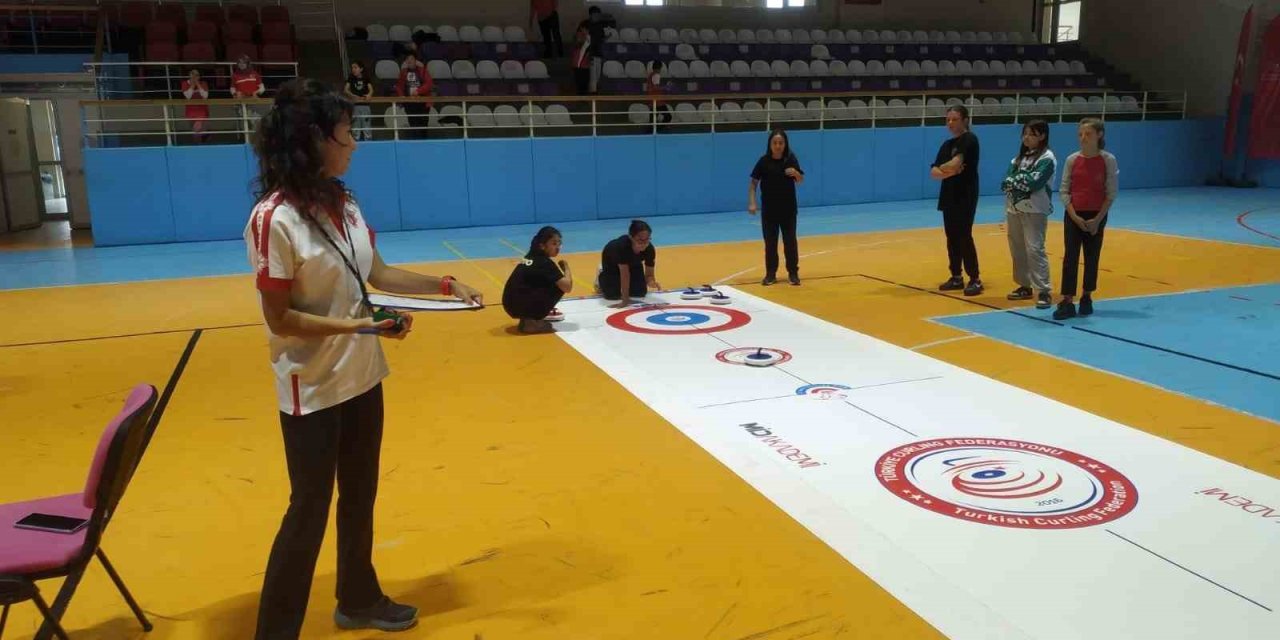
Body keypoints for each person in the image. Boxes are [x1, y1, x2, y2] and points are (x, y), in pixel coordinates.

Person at [243, 78, 483, 640]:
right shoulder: (273, 219)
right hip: (311, 387)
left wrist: (444, 285)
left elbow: (377, 273)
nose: (354, 142)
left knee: (360, 494)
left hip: (362, 376)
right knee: (308, 510)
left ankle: (357, 597)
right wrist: (357, 325)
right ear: (313, 139)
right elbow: (280, 318)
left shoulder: (344, 202)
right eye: (346, 132)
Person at [1055, 117, 1119, 320]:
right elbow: (1064, 190)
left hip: (1097, 214)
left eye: (1088, 134)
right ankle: (1067, 300)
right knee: (1070, 257)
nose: (1083, 138)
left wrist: (1097, 219)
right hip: (1074, 214)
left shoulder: (1108, 160)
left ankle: (1086, 296)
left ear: (1099, 135)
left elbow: (1111, 192)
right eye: (1080, 134)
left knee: (1092, 256)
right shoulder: (1072, 160)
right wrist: (1074, 216)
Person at [1001, 119, 1056, 309]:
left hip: (1036, 209)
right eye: (1024, 133)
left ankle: (1043, 290)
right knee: (1017, 247)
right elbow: (1006, 181)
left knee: (1035, 248)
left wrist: (1016, 180)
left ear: (1042, 136)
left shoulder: (1047, 158)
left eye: (1031, 134)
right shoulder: (1017, 159)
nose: (1026, 137)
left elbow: (1034, 182)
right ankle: (1024, 285)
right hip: (1014, 208)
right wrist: (1018, 180)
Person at [929, 104, 983, 296]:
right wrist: (949, 172)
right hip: (949, 194)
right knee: (951, 236)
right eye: (948, 120)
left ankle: (975, 278)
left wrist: (945, 169)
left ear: (965, 120)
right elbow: (934, 172)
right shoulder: (947, 145)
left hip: (965, 194)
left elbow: (955, 163)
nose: (950, 123)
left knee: (964, 235)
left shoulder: (969, 139)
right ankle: (956, 276)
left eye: (954, 119)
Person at [748, 128, 805, 286]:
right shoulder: (763, 161)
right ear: (770, 144)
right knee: (770, 244)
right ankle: (770, 274)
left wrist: (795, 173)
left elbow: (800, 180)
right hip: (769, 211)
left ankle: (793, 273)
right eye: (775, 143)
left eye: (781, 143)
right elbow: (753, 184)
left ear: (785, 144)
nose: (778, 146)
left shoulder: (790, 159)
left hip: (788, 210)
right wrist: (752, 202)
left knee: (790, 242)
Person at [503, 226, 572, 334]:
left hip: (510, 304)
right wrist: (566, 268)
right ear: (542, 246)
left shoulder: (529, 257)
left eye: (559, 243)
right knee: (559, 286)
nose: (558, 247)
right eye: (554, 244)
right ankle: (532, 322)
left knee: (547, 282)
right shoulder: (544, 262)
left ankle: (528, 320)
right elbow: (567, 287)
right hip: (519, 306)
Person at [596, 219, 659, 307]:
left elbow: (649, 274)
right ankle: (600, 276)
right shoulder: (621, 247)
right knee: (612, 295)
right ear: (631, 237)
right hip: (612, 266)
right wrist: (625, 300)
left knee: (640, 292)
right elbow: (625, 275)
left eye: (647, 239)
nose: (644, 243)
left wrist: (651, 281)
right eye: (640, 240)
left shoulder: (649, 249)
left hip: (634, 264)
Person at [394, 52, 433, 140]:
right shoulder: (403, 72)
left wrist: (418, 91)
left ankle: (423, 142)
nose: (409, 61)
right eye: (407, 59)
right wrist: (401, 96)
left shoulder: (423, 71)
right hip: (409, 103)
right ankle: (415, 142)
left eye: (411, 59)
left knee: (423, 125)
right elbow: (399, 86)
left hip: (423, 103)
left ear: (416, 61)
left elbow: (429, 84)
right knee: (413, 124)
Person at [343, 61, 375, 141]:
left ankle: (368, 140)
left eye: (355, 67)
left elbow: (371, 90)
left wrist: (369, 95)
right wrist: (352, 95)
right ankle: (356, 141)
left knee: (366, 125)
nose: (353, 69)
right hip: (355, 105)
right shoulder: (351, 78)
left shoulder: (366, 78)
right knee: (355, 125)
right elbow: (346, 90)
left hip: (365, 105)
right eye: (352, 68)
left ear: (361, 69)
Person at [181, 68, 209, 144]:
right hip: (190, 111)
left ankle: (198, 145)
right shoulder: (184, 83)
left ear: (199, 76)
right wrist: (193, 85)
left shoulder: (203, 83)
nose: (194, 77)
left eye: (196, 75)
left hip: (201, 111)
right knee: (195, 131)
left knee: (197, 128)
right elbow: (188, 96)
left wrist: (198, 84)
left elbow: (205, 96)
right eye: (192, 75)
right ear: (189, 75)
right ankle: (200, 141)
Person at [646, 60, 672, 125]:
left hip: (652, 99)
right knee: (668, 117)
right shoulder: (656, 75)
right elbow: (655, 87)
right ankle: (659, 129)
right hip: (658, 100)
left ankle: (653, 129)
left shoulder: (650, 75)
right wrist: (666, 87)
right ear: (659, 67)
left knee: (653, 119)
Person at [571, 21, 592, 95]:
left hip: (586, 65)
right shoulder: (579, 35)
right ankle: (580, 97)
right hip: (578, 64)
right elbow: (578, 44)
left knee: (585, 84)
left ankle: (584, 97)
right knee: (580, 84)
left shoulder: (589, 37)